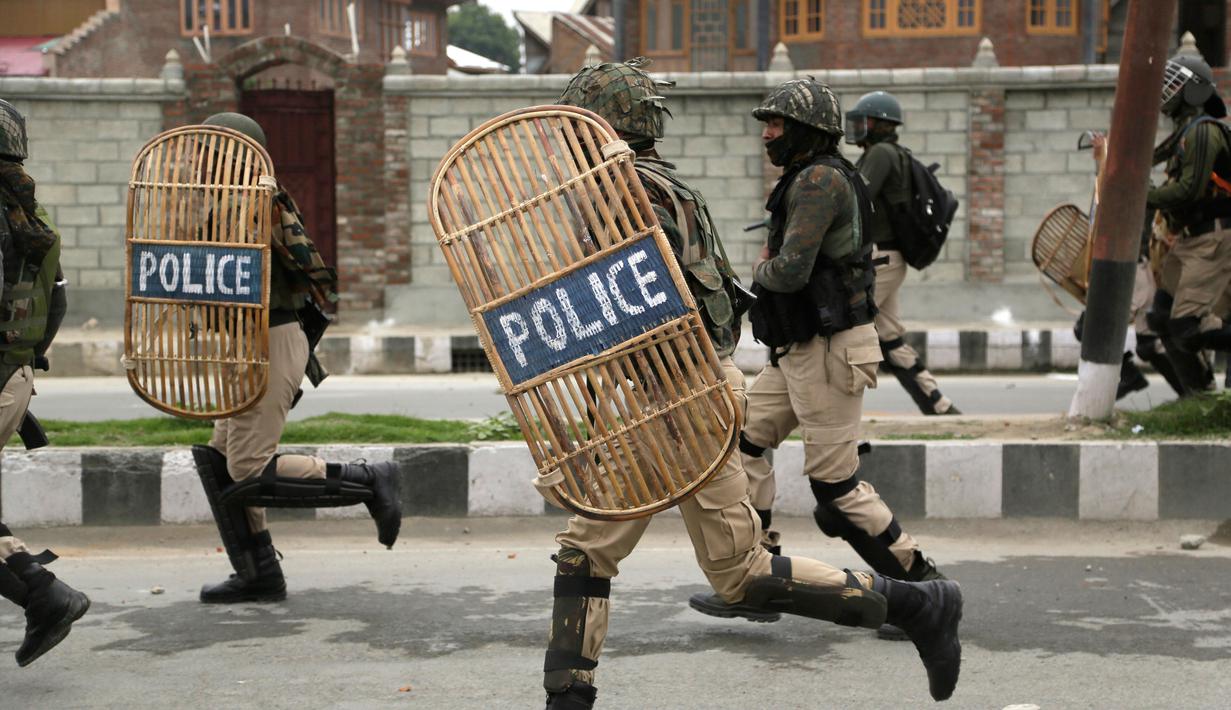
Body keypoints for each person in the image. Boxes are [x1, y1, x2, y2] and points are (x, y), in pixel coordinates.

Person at [540, 65, 963, 709]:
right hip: (683, 387)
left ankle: (916, 595)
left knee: (818, 502)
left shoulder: (635, 195)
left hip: (679, 393)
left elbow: (643, 298)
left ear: (604, 124)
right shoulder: (653, 186)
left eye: (777, 123)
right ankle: (913, 605)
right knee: (657, 562)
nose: (769, 133)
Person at [722, 79, 949, 616]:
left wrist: (756, 270)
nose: (768, 134)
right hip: (800, 348)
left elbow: (791, 269)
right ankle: (759, 574)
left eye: (776, 124)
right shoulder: (810, 176)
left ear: (805, 131)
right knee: (747, 443)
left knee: (836, 488)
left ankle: (925, 586)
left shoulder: (820, 180)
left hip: (828, 351)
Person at [191, 113, 403, 604]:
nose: (201, 160)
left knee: (248, 469)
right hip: (245, 343)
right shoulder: (229, 204)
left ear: (235, 156)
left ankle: (370, 480)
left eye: (213, 151)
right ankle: (258, 572)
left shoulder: (256, 203)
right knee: (220, 459)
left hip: (269, 341)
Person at [0, 97, 89, 667]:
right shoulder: (29, 217)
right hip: (16, 374)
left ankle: (43, 594)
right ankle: (41, 590)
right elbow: (55, 307)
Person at [844, 91, 960, 415]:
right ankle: (938, 405)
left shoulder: (881, 153)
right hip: (888, 259)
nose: (858, 127)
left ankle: (834, 404)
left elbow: (853, 200)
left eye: (864, 120)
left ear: (881, 124)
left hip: (880, 259)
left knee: (843, 325)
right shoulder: (886, 152)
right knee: (890, 337)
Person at [1146, 54, 1231, 364]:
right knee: (1160, 317)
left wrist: (1143, 195)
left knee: (1186, 328)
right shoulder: (1186, 132)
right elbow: (1148, 157)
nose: (1166, 90)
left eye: (1174, 83)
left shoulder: (1203, 132)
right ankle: (1198, 394)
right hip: (1192, 239)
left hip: (1214, 239)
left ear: (1193, 91)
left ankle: (1200, 393)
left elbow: (1188, 191)